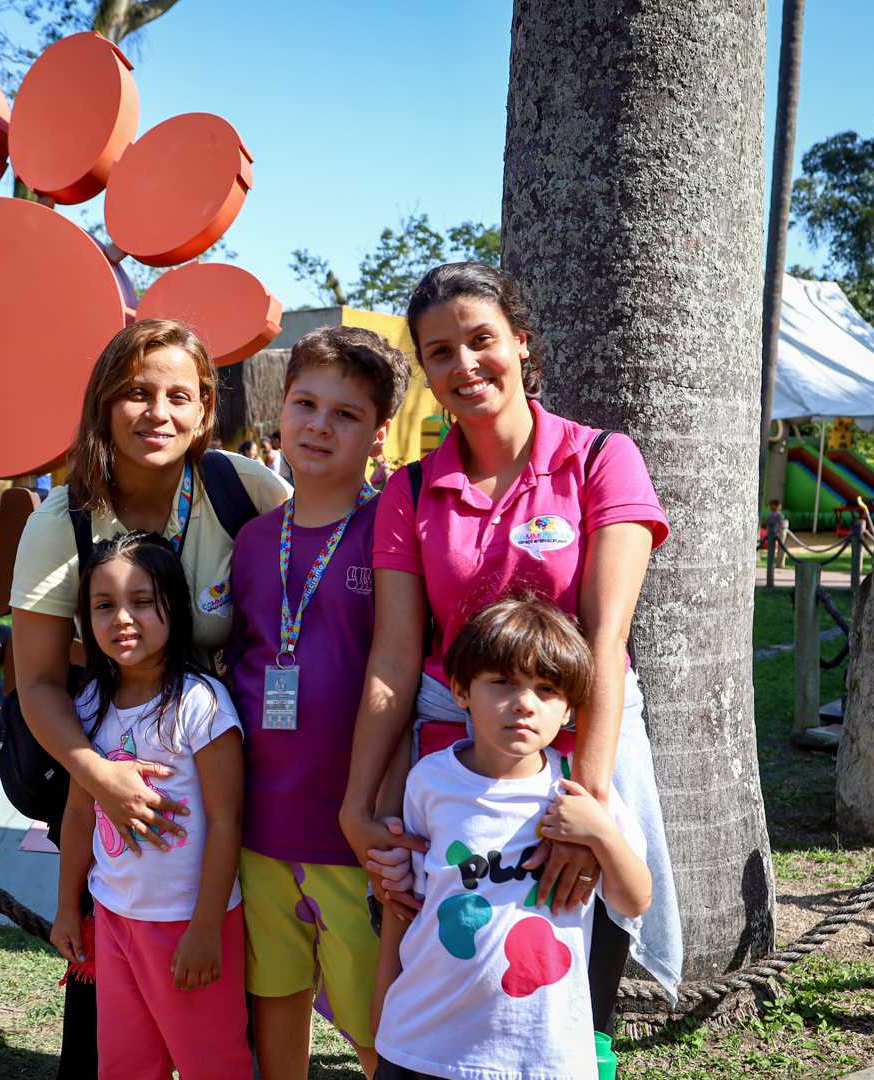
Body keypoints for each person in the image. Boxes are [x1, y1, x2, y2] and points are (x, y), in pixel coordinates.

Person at [337, 262, 683, 1030]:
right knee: (435, 970)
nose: (463, 365)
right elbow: (395, 658)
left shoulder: (600, 459)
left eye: (481, 339)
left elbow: (606, 636)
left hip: (583, 737)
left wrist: (583, 810)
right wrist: (358, 808)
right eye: (438, 352)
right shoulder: (412, 488)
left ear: (521, 342)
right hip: (447, 750)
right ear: (423, 369)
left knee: (571, 972)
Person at [10, 318, 289, 1078]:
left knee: (227, 1008)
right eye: (135, 392)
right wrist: (96, 776)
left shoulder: (245, 490)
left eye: (178, 395)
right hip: (108, 760)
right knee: (109, 1026)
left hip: (239, 765)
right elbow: (35, 680)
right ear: (102, 405)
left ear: (204, 409)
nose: (156, 412)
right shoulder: (60, 518)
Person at [224, 326, 410, 1079]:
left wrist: (382, 812)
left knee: (377, 1027)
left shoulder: (391, 531)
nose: (319, 425)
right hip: (262, 823)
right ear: (281, 409)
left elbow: (404, 676)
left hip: (356, 829)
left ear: (378, 434)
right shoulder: (253, 538)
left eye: (346, 414)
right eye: (306, 403)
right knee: (275, 1005)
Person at [371, 598, 651, 1080]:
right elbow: (407, 906)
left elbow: (635, 899)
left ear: (569, 710)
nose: (524, 703)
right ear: (461, 689)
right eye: (502, 682)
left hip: (541, 1050)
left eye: (547, 689)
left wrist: (600, 832)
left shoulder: (580, 796)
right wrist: (382, 1003)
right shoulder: (428, 782)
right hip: (424, 1040)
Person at [50, 532, 251, 1080]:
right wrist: (69, 906)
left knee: (212, 1063)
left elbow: (227, 819)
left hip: (188, 924)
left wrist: (207, 927)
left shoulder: (200, 703)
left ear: (174, 606)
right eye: (104, 605)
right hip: (113, 920)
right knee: (124, 1064)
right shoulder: (89, 702)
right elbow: (76, 813)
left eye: (142, 601)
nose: (123, 618)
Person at [764, 498, 789, 569]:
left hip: (776, 530)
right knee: (770, 541)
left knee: (777, 540)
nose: (771, 507)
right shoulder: (770, 514)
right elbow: (768, 519)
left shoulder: (779, 514)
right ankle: (771, 550)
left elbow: (782, 520)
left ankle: (776, 550)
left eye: (772, 505)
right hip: (770, 530)